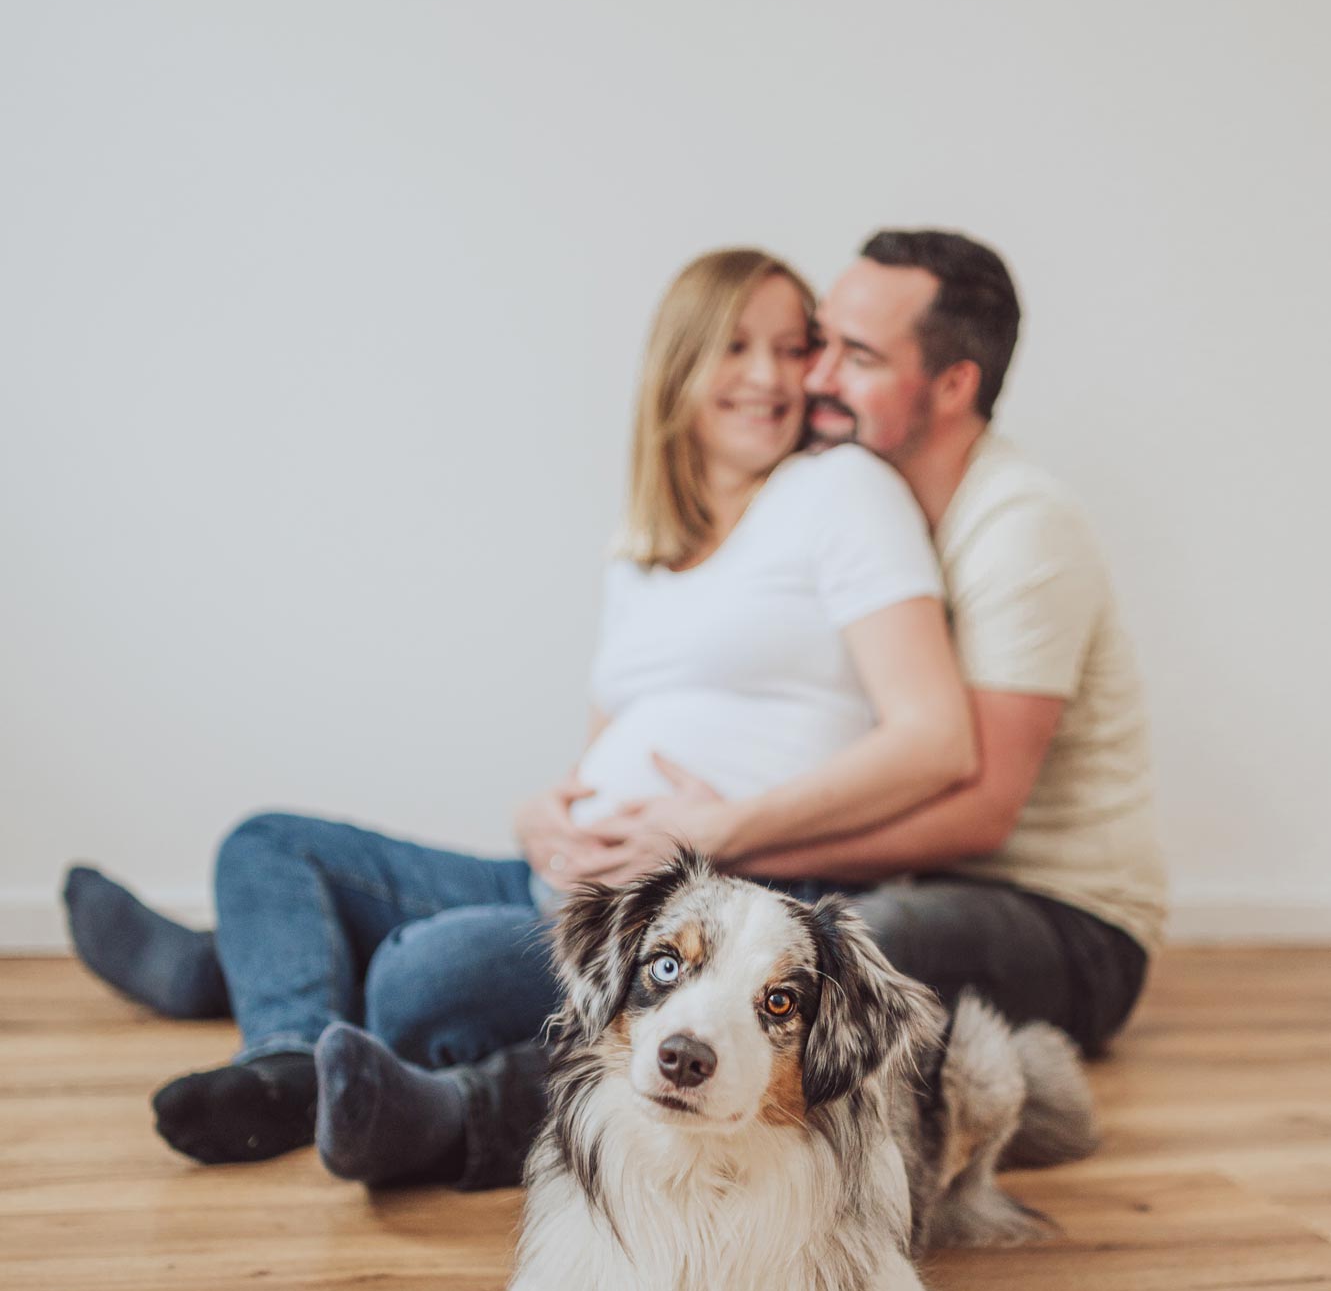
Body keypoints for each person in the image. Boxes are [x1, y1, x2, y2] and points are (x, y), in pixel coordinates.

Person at [276, 226, 1168, 1192]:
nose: (810, 376)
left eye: (849, 355)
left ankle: (462, 1120)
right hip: (872, 863)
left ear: (951, 385)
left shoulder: (1015, 528)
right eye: (813, 342)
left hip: (1056, 912)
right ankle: (279, 1011)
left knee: (853, 950)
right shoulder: (848, 500)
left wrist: (719, 846)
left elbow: (979, 801)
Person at [63, 245, 977, 1169]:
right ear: (677, 365)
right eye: (735, 346)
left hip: (701, 905)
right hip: (572, 878)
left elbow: (934, 739)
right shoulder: (644, 550)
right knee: (268, 844)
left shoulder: (840, 492)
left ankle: (233, 969)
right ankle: (285, 1058)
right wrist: (541, 809)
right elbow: (604, 748)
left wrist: (717, 832)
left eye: (792, 348)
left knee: (426, 976)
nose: (771, 378)